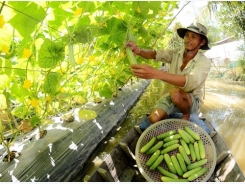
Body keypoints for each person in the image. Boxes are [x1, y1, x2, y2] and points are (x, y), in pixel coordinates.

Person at [126, 22, 211, 131]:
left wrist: (156, 73)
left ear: (202, 42)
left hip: (190, 100)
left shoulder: (204, 62)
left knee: (176, 93)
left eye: (193, 37)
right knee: (153, 119)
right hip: (170, 96)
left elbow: (190, 82)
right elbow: (155, 54)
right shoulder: (176, 53)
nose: (188, 39)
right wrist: (139, 51)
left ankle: (186, 115)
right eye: (186, 35)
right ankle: (171, 110)